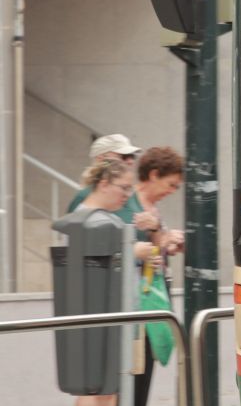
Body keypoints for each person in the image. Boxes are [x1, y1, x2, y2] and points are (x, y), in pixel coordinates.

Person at [65, 158, 161, 406]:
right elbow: (90, 264)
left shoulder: (105, 218)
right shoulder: (85, 217)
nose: (127, 196)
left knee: (108, 390)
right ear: (104, 184)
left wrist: (140, 256)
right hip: (97, 316)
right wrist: (133, 252)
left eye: (130, 189)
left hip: (111, 315)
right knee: (97, 390)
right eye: (123, 188)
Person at [130, 147, 185, 406]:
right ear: (153, 175)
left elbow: (154, 249)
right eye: (171, 184)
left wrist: (167, 245)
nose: (172, 191)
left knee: (143, 378)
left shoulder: (153, 209)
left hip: (153, 299)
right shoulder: (129, 204)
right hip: (135, 304)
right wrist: (159, 242)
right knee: (132, 379)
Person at [66, 134, 142, 211]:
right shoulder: (85, 196)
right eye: (124, 156)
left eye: (132, 156)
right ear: (101, 159)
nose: (130, 161)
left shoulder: (130, 195)